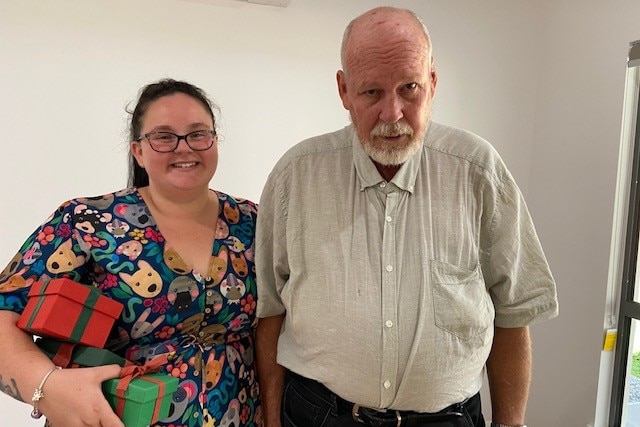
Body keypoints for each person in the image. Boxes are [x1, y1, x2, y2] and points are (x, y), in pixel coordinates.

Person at [255, 6, 558, 427]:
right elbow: (270, 312)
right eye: (371, 93)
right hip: (320, 415)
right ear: (343, 90)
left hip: (448, 419)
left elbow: (513, 312)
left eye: (409, 88)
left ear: (432, 82)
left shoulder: (479, 171)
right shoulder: (295, 176)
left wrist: (511, 423)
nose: (392, 113)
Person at [0, 79, 261, 427]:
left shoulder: (253, 222)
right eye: (164, 136)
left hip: (238, 415)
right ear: (138, 150)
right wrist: (47, 386)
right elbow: (5, 309)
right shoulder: (90, 222)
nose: (184, 148)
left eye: (198, 133)